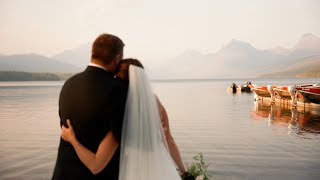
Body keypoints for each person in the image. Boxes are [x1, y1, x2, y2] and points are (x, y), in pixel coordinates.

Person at [61, 59, 186, 179]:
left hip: (131, 171)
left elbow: (95, 165)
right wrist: (184, 171)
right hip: (161, 169)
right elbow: (169, 140)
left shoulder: (121, 112)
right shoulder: (155, 102)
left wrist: (72, 140)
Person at [52, 34, 127, 180]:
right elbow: (119, 134)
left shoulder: (69, 84)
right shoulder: (118, 90)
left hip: (63, 173)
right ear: (117, 58)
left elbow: (64, 127)